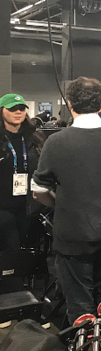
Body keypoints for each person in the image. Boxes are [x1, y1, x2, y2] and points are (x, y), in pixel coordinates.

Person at [31, 77, 101, 324]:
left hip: (72, 234)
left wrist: (58, 203)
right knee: (100, 293)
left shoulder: (57, 141)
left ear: (69, 104)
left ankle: (84, 343)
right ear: (100, 103)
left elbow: (38, 189)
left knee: (80, 307)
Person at [0, 94, 44, 254]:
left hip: (28, 207)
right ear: (2, 111)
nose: (18, 112)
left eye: (21, 109)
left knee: (27, 254)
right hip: (3, 209)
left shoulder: (35, 139)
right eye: (12, 109)